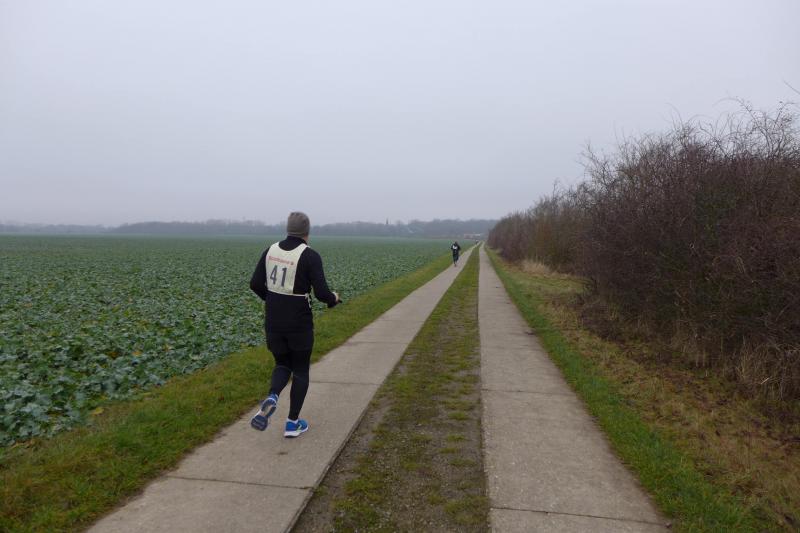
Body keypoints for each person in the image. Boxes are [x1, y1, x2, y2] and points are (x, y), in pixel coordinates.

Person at [249, 212, 340, 438]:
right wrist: (334, 299)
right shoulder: (310, 256)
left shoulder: (270, 251)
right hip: (299, 323)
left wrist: (273, 300)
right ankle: (292, 423)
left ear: (287, 229)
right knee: (300, 369)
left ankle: (273, 396)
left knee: (282, 364)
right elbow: (321, 293)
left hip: (273, 322)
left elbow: (255, 283)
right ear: (307, 232)